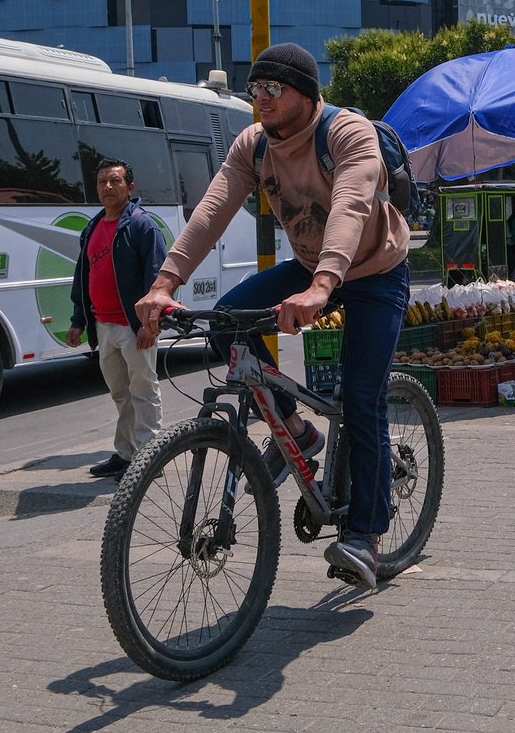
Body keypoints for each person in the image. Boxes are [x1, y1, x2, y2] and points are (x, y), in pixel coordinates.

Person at [135, 43, 410, 591]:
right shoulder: (253, 145)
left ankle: (365, 536)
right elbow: (213, 209)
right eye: (253, 89)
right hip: (311, 268)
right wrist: (165, 285)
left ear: (305, 95)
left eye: (272, 90)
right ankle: (296, 429)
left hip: (374, 272)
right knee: (226, 318)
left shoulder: (349, 135)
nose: (259, 99)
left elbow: (352, 205)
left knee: (361, 399)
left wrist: (324, 285)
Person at [67, 159, 165, 482]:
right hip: (103, 326)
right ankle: (126, 454)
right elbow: (84, 276)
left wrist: (150, 324)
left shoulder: (141, 226)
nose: (108, 187)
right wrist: (79, 320)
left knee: (143, 390)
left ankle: (149, 459)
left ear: (130, 187)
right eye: (102, 182)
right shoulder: (92, 228)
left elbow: (157, 279)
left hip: (133, 327)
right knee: (120, 393)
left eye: (115, 181)